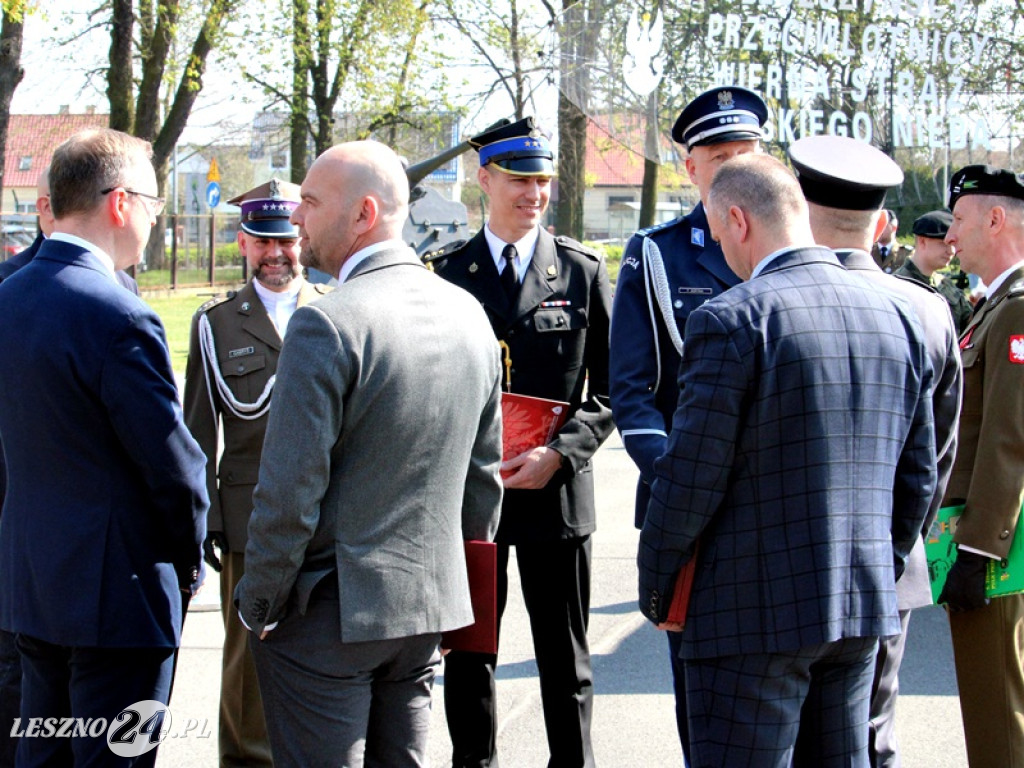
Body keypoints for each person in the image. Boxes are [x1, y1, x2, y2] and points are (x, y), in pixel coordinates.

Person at [638, 153, 937, 767]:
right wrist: (879, 564)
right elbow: (919, 477)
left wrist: (658, 589)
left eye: (719, 235)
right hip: (856, 611)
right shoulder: (902, 314)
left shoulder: (731, 318)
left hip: (746, 618)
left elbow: (691, 479)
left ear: (739, 221)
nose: (721, 252)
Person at [234, 140, 503, 767]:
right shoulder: (469, 315)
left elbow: (289, 491)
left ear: (363, 214)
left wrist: (260, 603)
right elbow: (482, 486)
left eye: (309, 201)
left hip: (327, 618)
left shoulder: (327, 323)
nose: (296, 219)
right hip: (423, 615)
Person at [0, 128, 207, 766]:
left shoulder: (8, 296)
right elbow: (173, 467)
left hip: (33, 587)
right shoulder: (118, 314)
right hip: (119, 598)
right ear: (119, 203)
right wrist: (191, 560)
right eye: (152, 202)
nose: (154, 218)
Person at [430, 117, 613, 768]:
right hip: (471, 501)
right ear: (485, 180)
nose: (533, 192)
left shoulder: (581, 271)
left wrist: (561, 452)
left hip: (555, 498)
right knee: (470, 657)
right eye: (518, 179)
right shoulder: (446, 274)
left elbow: (614, 390)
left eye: (541, 180)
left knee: (566, 662)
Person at [788, 135, 962, 768]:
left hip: (786, 568)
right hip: (886, 568)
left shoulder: (767, 302)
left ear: (797, 212)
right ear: (886, 223)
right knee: (868, 734)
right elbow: (936, 456)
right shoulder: (927, 310)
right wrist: (890, 551)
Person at [608, 84, 767, 753]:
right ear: (688, 166)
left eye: (745, 153)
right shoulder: (658, 254)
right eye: (717, 156)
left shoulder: (800, 241)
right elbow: (634, 389)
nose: (732, 168)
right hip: (693, 506)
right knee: (704, 702)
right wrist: (684, 476)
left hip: (785, 497)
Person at [183, 178, 329, 768]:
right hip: (247, 520)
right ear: (243, 243)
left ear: (303, 240)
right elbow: (196, 432)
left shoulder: (335, 310)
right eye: (263, 242)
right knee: (247, 659)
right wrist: (208, 521)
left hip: (326, 515)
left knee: (322, 652)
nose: (276, 255)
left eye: (288, 241)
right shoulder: (216, 325)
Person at [938, 164, 1024, 767]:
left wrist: (978, 551)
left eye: (960, 222)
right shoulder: (996, 306)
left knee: (998, 714)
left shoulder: (1017, 309)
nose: (950, 237)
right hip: (989, 540)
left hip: (996, 548)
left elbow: (1008, 438)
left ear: (996, 220)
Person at [897, 210, 974, 334]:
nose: (951, 251)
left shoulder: (946, 285)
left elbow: (969, 325)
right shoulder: (898, 286)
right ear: (922, 242)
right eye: (943, 244)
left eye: (953, 244)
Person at [871, 208, 913, 273]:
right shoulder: (868, 252)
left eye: (882, 225)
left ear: (894, 227)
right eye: (875, 225)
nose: (877, 228)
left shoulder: (906, 253)